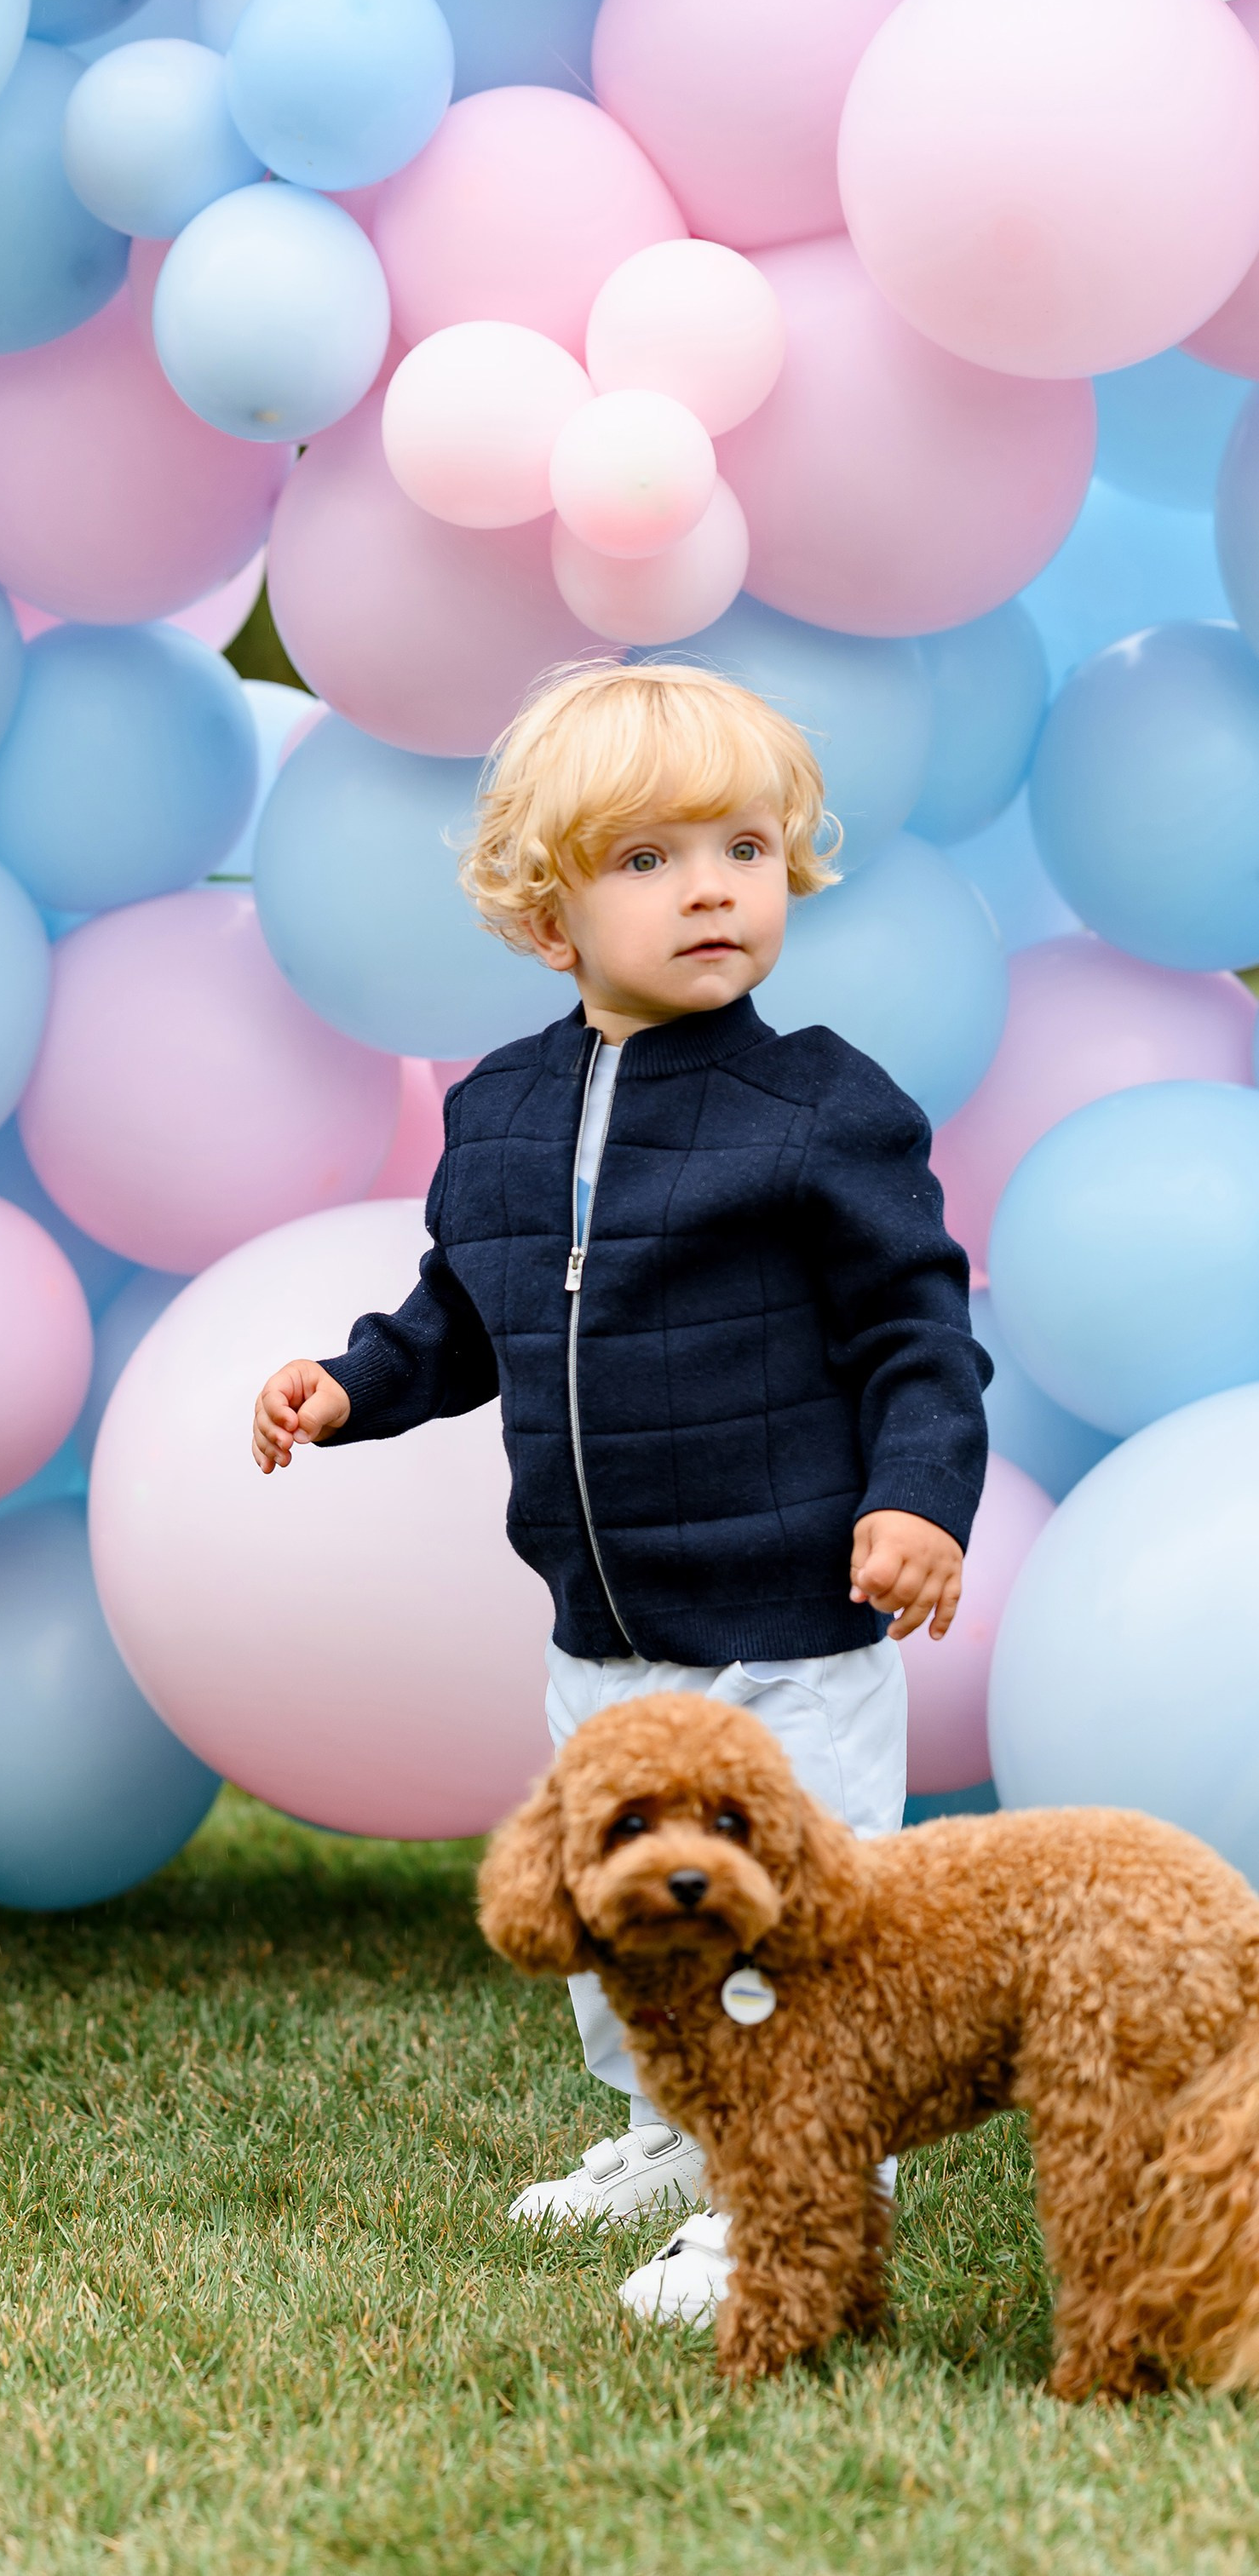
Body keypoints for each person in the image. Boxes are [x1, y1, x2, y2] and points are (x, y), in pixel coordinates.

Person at [250, 659, 989, 2321]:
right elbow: (468, 1308)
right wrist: (356, 1383)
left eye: (741, 843)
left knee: (796, 1924)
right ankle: (670, 2131)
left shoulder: (818, 1106)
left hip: (794, 1615)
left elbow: (916, 1327)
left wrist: (921, 1496)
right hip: (606, 1620)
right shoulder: (500, 1107)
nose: (711, 884)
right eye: (648, 858)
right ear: (547, 910)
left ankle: (793, 2192)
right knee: (624, 1921)